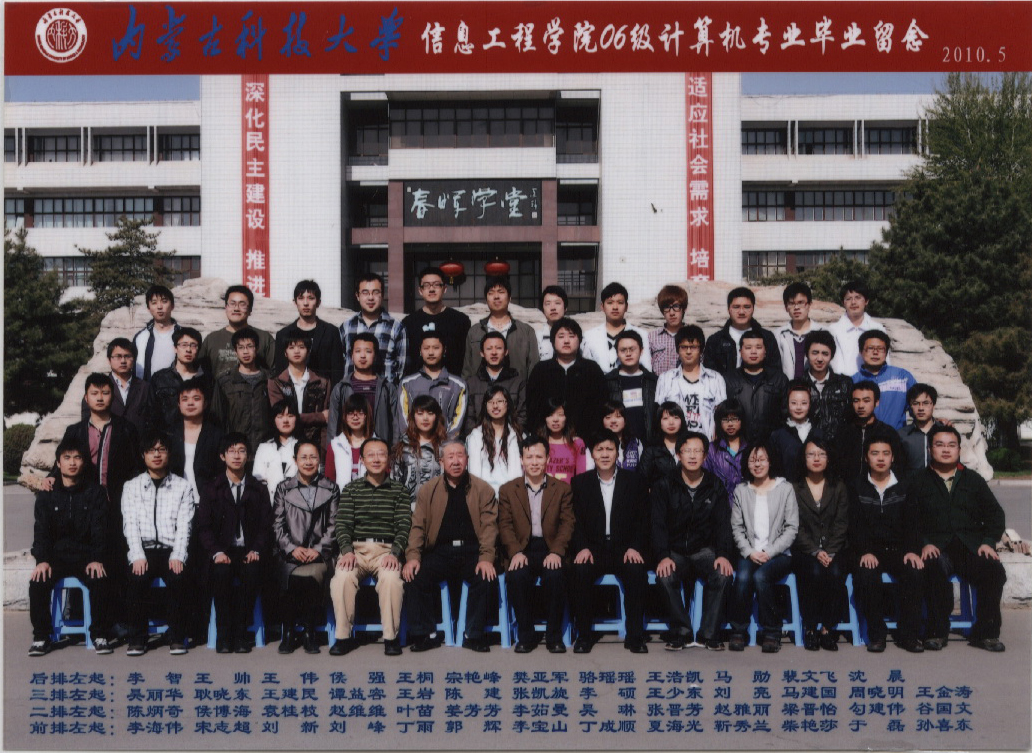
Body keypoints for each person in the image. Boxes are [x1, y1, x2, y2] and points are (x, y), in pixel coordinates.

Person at [912, 425, 1008, 652]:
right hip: (936, 547)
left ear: (959, 449)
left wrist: (988, 541)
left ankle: (986, 634)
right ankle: (936, 632)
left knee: (993, 571)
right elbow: (909, 519)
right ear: (930, 448)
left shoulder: (973, 480)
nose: (946, 450)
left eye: (951, 445)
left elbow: (995, 514)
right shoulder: (918, 481)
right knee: (932, 569)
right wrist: (924, 543)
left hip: (970, 547)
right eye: (939, 445)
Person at [403, 441, 499, 653]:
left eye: (460, 456)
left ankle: (473, 634)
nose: (455, 461)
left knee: (485, 576)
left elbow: (489, 528)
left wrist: (486, 558)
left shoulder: (483, 489)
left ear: (467, 459)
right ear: (441, 462)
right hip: (440, 552)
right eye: (450, 456)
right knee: (415, 575)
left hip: (472, 551)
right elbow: (418, 526)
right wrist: (413, 557)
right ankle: (426, 634)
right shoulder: (428, 490)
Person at [28, 438, 114, 656]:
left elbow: (100, 531)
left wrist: (97, 558)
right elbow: (41, 531)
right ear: (58, 463)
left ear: (84, 462)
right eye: (67, 458)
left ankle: (100, 635)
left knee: (100, 577)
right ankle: (41, 637)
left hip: (86, 555)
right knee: (38, 581)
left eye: (77, 457)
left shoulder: (95, 492)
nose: (72, 462)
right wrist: (42, 560)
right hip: (57, 556)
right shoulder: (47, 494)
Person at [651, 432, 735, 651]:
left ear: (705, 456)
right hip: (674, 551)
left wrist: (723, 554)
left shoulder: (714, 485)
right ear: (679, 454)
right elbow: (657, 524)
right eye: (687, 450)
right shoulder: (664, 484)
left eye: (697, 451)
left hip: (703, 550)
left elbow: (723, 524)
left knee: (723, 573)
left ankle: (709, 634)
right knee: (665, 576)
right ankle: (682, 632)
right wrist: (663, 556)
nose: (692, 455)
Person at [569, 430, 650, 654]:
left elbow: (643, 519)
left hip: (624, 548)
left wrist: (634, 546)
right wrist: (582, 547)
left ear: (618, 453)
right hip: (593, 548)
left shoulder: (634, 482)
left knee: (636, 571)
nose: (605, 454)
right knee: (579, 571)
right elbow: (574, 521)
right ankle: (584, 636)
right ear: (592, 454)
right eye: (600, 450)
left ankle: (635, 636)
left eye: (609, 449)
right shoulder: (580, 483)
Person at [329, 437, 411, 657]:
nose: (376, 459)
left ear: (389, 459)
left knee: (392, 580)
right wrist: (347, 551)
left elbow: (404, 525)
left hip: (386, 550)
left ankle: (390, 638)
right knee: (342, 578)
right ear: (362, 460)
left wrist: (395, 553)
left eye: (381, 454)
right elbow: (343, 524)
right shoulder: (351, 489)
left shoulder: (399, 491)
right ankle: (343, 637)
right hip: (356, 550)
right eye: (371, 455)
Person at [195, 433, 273, 654]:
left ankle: (241, 633)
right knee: (220, 573)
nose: (237, 456)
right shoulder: (212, 488)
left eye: (241, 451)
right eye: (231, 451)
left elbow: (266, 525)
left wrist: (256, 549)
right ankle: (223, 634)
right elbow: (204, 527)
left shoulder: (258, 488)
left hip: (249, 550)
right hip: (222, 550)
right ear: (223, 456)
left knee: (253, 572)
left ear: (248, 456)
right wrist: (216, 552)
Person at [121, 431, 196, 656]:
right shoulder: (131, 486)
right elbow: (130, 524)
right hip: (143, 550)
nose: (156, 455)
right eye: (151, 450)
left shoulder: (182, 486)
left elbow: (184, 525)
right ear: (143, 455)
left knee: (178, 577)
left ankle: (177, 636)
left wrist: (178, 555)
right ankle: (137, 638)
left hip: (170, 550)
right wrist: (137, 555)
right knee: (136, 579)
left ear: (169, 454)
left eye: (161, 450)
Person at [497, 436, 575, 653]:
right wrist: (515, 552)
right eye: (529, 457)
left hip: (550, 547)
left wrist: (557, 552)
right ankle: (526, 635)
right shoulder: (508, 490)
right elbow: (504, 525)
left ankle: (554, 636)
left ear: (548, 459)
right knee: (517, 576)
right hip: (522, 548)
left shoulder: (562, 489)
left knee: (556, 576)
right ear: (521, 460)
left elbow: (567, 524)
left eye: (539, 457)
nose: (534, 462)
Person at [850, 436, 925, 653]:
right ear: (866, 458)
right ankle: (877, 634)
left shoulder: (905, 485)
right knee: (866, 575)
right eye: (875, 453)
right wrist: (865, 551)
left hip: (899, 550)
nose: (880, 458)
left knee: (914, 571)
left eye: (885, 453)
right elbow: (854, 525)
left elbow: (914, 522)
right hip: (870, 550)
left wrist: (912, 550)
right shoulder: (856, 486)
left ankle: (909, 635)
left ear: (892, 458)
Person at [728, 443, 799, 653]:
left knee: (761, 576)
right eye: (753, 460)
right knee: (742, 577)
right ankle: (739, 631)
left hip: (779, 554)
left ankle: (772, 632)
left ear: (770, 462)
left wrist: (770, 552)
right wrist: (750, 552)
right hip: (750, 552)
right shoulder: (741, 490)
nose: (757, 464)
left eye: (762, 459)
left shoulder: (785, 488)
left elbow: (791, 528)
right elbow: (737, 528)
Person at [273, 441, 339, 655]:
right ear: (295, 460)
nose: (308, 462)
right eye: (303, 457)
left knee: (311, 577)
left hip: (319, 554)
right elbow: (277, 524)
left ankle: (310, 633)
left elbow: (334, 525)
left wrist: (318, 549)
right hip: (290, 553)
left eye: (313, 457)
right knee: (289, 577)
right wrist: (291, 548)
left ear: (319, 460)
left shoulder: (331, 488)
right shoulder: (283, 488)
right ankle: (288, 632)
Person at [792, 437, 850, 651]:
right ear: (803, 458)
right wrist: (815, 551)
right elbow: (795, 526)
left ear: (829, 458)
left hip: (835, 549)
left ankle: (827, 628)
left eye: (821, 454)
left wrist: (830, 551)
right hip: (805, 550)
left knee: (835, 573)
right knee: (814, 573)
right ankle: (810, 627)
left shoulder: (838, 486)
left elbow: (842, 523)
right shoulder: (794, 487)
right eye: (811, 454)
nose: (816, 458)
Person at [526, 317, 608, 437]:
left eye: (571, 336)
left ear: (579, 340)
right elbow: (532, 407)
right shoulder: (541, 370)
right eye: (561, 336)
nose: (566, 341)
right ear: (553, 341)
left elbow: (601, 406)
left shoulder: (591, 370)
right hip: (548, 439)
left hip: (585, 439)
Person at [655, 325, 727, 440]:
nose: (688, 352)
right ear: (677, 349)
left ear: (701, 350)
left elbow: (722, 417)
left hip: (707, 445)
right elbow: (659, 417)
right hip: (675, 445)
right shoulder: (665, 379)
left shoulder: (715, 379)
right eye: (684, 347)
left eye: (693, 347)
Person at [463, 276, 539, 381]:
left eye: (501, 292)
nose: (496, 297)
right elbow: (467, 370)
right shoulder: (475, 331)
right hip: (481, 390)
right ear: (486, 299)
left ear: (509, 297)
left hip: (518, 390)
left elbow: (534, 368)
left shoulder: (526, 331)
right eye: (491, 293)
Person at [327, 333, 396, 448]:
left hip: (379, 450)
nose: (363, 356)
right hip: (348, 450)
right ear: (352, 356)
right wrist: (332, 452)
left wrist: (394, 452)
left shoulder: (387, 388)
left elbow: (395, 425)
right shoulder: (341, 388)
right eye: (358, 351)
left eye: (368, 351)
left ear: (375, 356)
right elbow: (332, 426)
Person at [211, 327, 273, 454]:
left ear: (256, 348)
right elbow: (217, 419)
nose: (245, 352)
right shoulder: (225, 382)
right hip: (235, 450)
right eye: (241, 347)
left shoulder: (269, 380)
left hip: (265, 449)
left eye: (249, 346)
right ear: (235, 351)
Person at [723, 330, 789, 445]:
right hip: (737, 445)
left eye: (758, 347)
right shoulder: (728, 380)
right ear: (740, 351)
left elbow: (786, 415)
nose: (753, 352)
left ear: (765, 351)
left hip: (771, 446)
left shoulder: (779, 379)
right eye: (748, 348)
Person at [402, 267, 471, 377]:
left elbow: (467, 360)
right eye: (426, 285)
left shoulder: (460, 321)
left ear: (444, 289)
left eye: (436, 285)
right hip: (418, 384)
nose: (431, 289)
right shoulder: (409, 323)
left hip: (452, 383)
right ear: (420, 290)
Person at [268, 327, 331, 448]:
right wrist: (319, 416)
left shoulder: (323, 382)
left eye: (301, 347)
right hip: (286, 444)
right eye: (291, 347)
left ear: (308, 351)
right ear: (285, 352)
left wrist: (323, 450)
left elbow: (327, 420)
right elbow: (281, 417)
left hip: (315, 445)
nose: (296, 351)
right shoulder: (276, 383)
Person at [397, 333, 467, 440]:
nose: (431, 352)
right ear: (420, 351)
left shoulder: (458, 385)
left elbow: (458, 422)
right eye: (426, 348)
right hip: (414, 444)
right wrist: (415, 441)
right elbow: (403, 419)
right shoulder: (407, 383)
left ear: (444, 350)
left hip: (446, 445)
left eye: (436, 348)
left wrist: (445, 443)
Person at [274, 280, 345, 387]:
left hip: (325, 393)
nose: (306, 303)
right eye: (301, 298)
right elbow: (280, 372)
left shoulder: (331, 332)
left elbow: (337, 371)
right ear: (295, 302)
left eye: (311, 298)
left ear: (318, 302)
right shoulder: (283, 334)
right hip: (292, 393)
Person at [833, 381, 902, 488]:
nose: (861, 406)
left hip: (878, 491)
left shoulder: (888, 433)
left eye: (866, 401)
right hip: (847, 492)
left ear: (876, 402)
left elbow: (898, 466)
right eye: (856, 401)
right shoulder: (842, 432)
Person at [340, 272, 407, 382]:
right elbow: (341, 363)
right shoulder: (346, 327)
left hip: (385, 391)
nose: (370, 298)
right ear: (357, 296)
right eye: (365, 293)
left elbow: (401, 369)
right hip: (351, 391)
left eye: (376, 292)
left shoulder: (396, 327)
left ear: (383, 295)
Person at [199, 284, 276, 379]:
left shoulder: (264, 338)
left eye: (242, 304)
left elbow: (274, 373)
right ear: (226, 307)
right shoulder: (212, 339)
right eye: (232, 303)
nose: (236, 308)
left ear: (250, 309)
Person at [702, 287, 781, 376]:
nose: (741, 312)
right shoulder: (715, 341)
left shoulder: (767, 337)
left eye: (747, 307)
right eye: (736, 307)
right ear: (729, 309)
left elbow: (775, 373)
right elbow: (709, 375)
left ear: (753, 308)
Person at [83, 338, 153, 439]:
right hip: (106, 444)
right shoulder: (97, 387)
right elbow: (87, 420)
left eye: (127, 356)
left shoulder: (145, 388)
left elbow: (153, 420)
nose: (123, 361)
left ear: (134, 359)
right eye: (118, 356)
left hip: (138, 444)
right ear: (109, 360)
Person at [167, 382, 224, 502]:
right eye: (185, 399)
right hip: (174, 500)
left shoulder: (216, 435)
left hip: (206, 501)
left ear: (205, 403)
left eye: (196, 398)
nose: (190, 403)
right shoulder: (170, 434)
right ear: (179, 404)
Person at [463, 331, 527, 437]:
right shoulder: (472, 383)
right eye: (489, 348)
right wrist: (480, 437)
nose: (494, 352)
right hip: (479, 439)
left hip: (511, 438)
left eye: (498, 348)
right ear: (482, 353)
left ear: (506, 352)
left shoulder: (518, 382)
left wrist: (509, 436)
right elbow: (469, 419)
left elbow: (522, 415)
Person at [580, 282, 653, 372]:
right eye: (610, 303)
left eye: (620, 303)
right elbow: (586, 370)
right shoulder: (589, 336)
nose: (615, 307)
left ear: (626, 306)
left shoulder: (641, 334)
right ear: (602, 307)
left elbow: (646, 368)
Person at [149, 326, 211, 432]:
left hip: (198, 437)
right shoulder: (160, 378)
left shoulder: (207, 380)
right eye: (184, 345)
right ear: (175, 348)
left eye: (193, 345)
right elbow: (151, 413)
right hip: (167, 437)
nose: (188, 350)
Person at [391, 395, 447, 509]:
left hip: (439, 509)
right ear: (413, 416)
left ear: (436, 416)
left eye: (430, 413)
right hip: (408, 510)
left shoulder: (446, 447)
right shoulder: (403, 447)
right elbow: (395, 484)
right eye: (420, 413)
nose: (425, 418)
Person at [852, 330, 916, 430]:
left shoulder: (903, 377)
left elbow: (918, 407)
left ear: (886, 352)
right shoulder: (853, 381)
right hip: (865, 437)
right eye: (870, 348)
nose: (875, 352)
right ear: (861, 351)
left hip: (897, 437)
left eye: (880, 349)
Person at [604, 331, 659, 444]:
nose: (628, 354)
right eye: (623, 350)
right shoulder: (608, 381)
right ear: (617, 353)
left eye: (632, 349)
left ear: (641, 351)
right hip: (618, 444)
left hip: (648, 443)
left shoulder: (653, 381)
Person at [466, 385, 523, 495]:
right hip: (484, 497)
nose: (495, 406)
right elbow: (474, 474)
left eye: (500, 401)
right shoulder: (476, 436)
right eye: (490, 402)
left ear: (507, 404)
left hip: (510, 496)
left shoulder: (517, 435)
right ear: (485, 406)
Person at [802, 330, 854, 448]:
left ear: (831, 356)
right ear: (807, 354)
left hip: (838, 450)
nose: (820, 358)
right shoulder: (798, 385)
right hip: (808, 451)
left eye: (825, 354)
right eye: (815, 353)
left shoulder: (845, 384)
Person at [828, 280, 886, 376]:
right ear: (843, 303)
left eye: (858, 297)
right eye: (848, 299)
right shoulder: (833, 330)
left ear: (866, 301)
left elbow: (885, 362)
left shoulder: (877, 329)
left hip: (870, 382)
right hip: (840, 382)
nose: (853, 302)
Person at [769, 379, 818, 483]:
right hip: (786, 489)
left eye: (804, 403)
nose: (799, 407)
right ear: (787, 404)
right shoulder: (778, 435)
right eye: (794, 403)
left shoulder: (818, 433)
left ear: (810, 405)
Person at [704, 399, 749, 509]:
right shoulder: (711, 450)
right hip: (719, 508)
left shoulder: (750, 448)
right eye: (725, 419)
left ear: (741, 420)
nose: (730, 424)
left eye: (734, 419)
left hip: (746, 507)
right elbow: (705, 482)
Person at [537, 398, 592, 483]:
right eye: (550, 415)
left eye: (560, 415)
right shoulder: (537, 443)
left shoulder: (577, 443)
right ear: (545, 418)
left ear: (566, 417)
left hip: (568, 491)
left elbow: (581, 478)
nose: (555, 419)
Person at [252, 401, 299, 500]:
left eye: (290, 416)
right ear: (273, 420)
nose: (285, 420)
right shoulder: (264, 448)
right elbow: (258, 482)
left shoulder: (304, 447)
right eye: (280, 416)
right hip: (269, 503)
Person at [777, 282, 824, 380]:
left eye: (801, 303)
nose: (796, 307)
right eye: (791, 303)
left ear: (809, 304)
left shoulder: (823, 332)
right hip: (786, 387)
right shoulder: (778, 335)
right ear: (786, 307)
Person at [133, 284, 180, 381]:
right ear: (148, 308)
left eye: (164, 301)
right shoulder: (140, 338)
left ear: (172, 306)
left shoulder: (182, 335)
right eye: (154, 303)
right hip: (148, 389)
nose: (159, 307)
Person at [898, 383, 946, 475]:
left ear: (933, 405)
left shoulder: (945, 432)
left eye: (925, 403)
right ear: (910, 406)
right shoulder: (902, 435)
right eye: (915, 403)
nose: (921, 408)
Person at [637, 401, 686, 488]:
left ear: (682, 420)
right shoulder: (651, 449)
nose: (671, 422)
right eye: (665, 418)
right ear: (659, 422)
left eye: (676, 417)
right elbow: (642, 479)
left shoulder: (689, 445)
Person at [325, 394, 372, 486]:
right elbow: (329, 480)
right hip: (342, 495)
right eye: (350, 413)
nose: (355, 417)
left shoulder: (377, 444)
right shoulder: (335, 445)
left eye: (360, 413)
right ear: (345, 416)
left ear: (366, 415)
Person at [648, 284, 688, 377]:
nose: (672, 313)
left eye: (676, 306)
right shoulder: (651, 337)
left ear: (684, 309)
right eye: (667, 307)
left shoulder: (692, 335)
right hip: (658, 384)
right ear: (662, 311)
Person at [601, 400, 644, 472]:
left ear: (625, 420)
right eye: (608, 417)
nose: (613, 421)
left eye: (618, 416)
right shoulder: (596, 445)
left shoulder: (636, 442)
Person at [536, 285, 569, 361]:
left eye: (557, 303)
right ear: (542, 309)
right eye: (548, 304)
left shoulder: (575, 336)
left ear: (565, 308)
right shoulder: (536, 338)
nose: (553, 308)